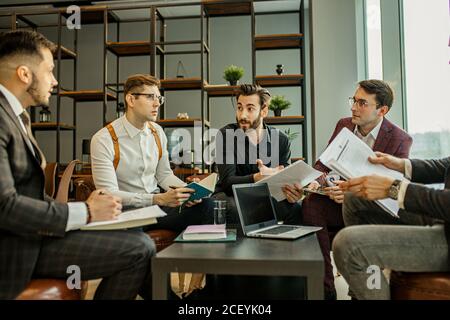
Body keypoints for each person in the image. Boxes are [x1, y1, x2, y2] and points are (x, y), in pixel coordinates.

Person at [0, 30, 155, 300]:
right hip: (14, 248)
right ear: (25, 74)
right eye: (49, 71)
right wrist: (85, 211)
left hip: (33, 236)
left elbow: (30, 197)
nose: (55, 81)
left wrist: (84, 211)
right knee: (139, 248)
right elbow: (5, 206)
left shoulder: (15, 116)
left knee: (140, 245)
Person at [301, 80, 413, 299]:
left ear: (382, 110)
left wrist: (352, 195)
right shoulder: (344, 125)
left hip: (371, 209)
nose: (353, 107)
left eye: (362, 103)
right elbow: (324, 164)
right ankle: (326, 288)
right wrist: (319, 182)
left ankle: (361, 289)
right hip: (337, 201)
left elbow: (391, 194)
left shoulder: (400, 140)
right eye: (354, 100)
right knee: (311, 203)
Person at [90, 74, 213, 233]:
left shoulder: (157, 132)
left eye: (159, 98)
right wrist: (158, 198)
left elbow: (163, 175)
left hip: (156, 207)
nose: (157, 103)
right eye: (150, 97)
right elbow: (108, 194)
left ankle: (192, 258)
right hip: (125, 211)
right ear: (131, 100)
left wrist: (188, 190)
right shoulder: (103, 139)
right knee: (135, 235)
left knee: (208, 206)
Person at [332, 153, 450, 300]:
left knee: (349, 245)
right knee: (354, 198)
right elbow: (446, 165)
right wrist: (401, 165)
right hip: (443, 217)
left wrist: (396, 189)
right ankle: (365, 292)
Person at [213, 84, 302, 227]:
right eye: (240, 107)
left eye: (250, 109)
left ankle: (284, 248)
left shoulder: (281, 140)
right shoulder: (226, 135)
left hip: (264, 197)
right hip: (231, 196)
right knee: (234, 209)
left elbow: (286, 179)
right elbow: (228, 183)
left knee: (296, 208)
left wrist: (293, 193)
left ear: (264, 111)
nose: (242, 115)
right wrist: (258, 178)